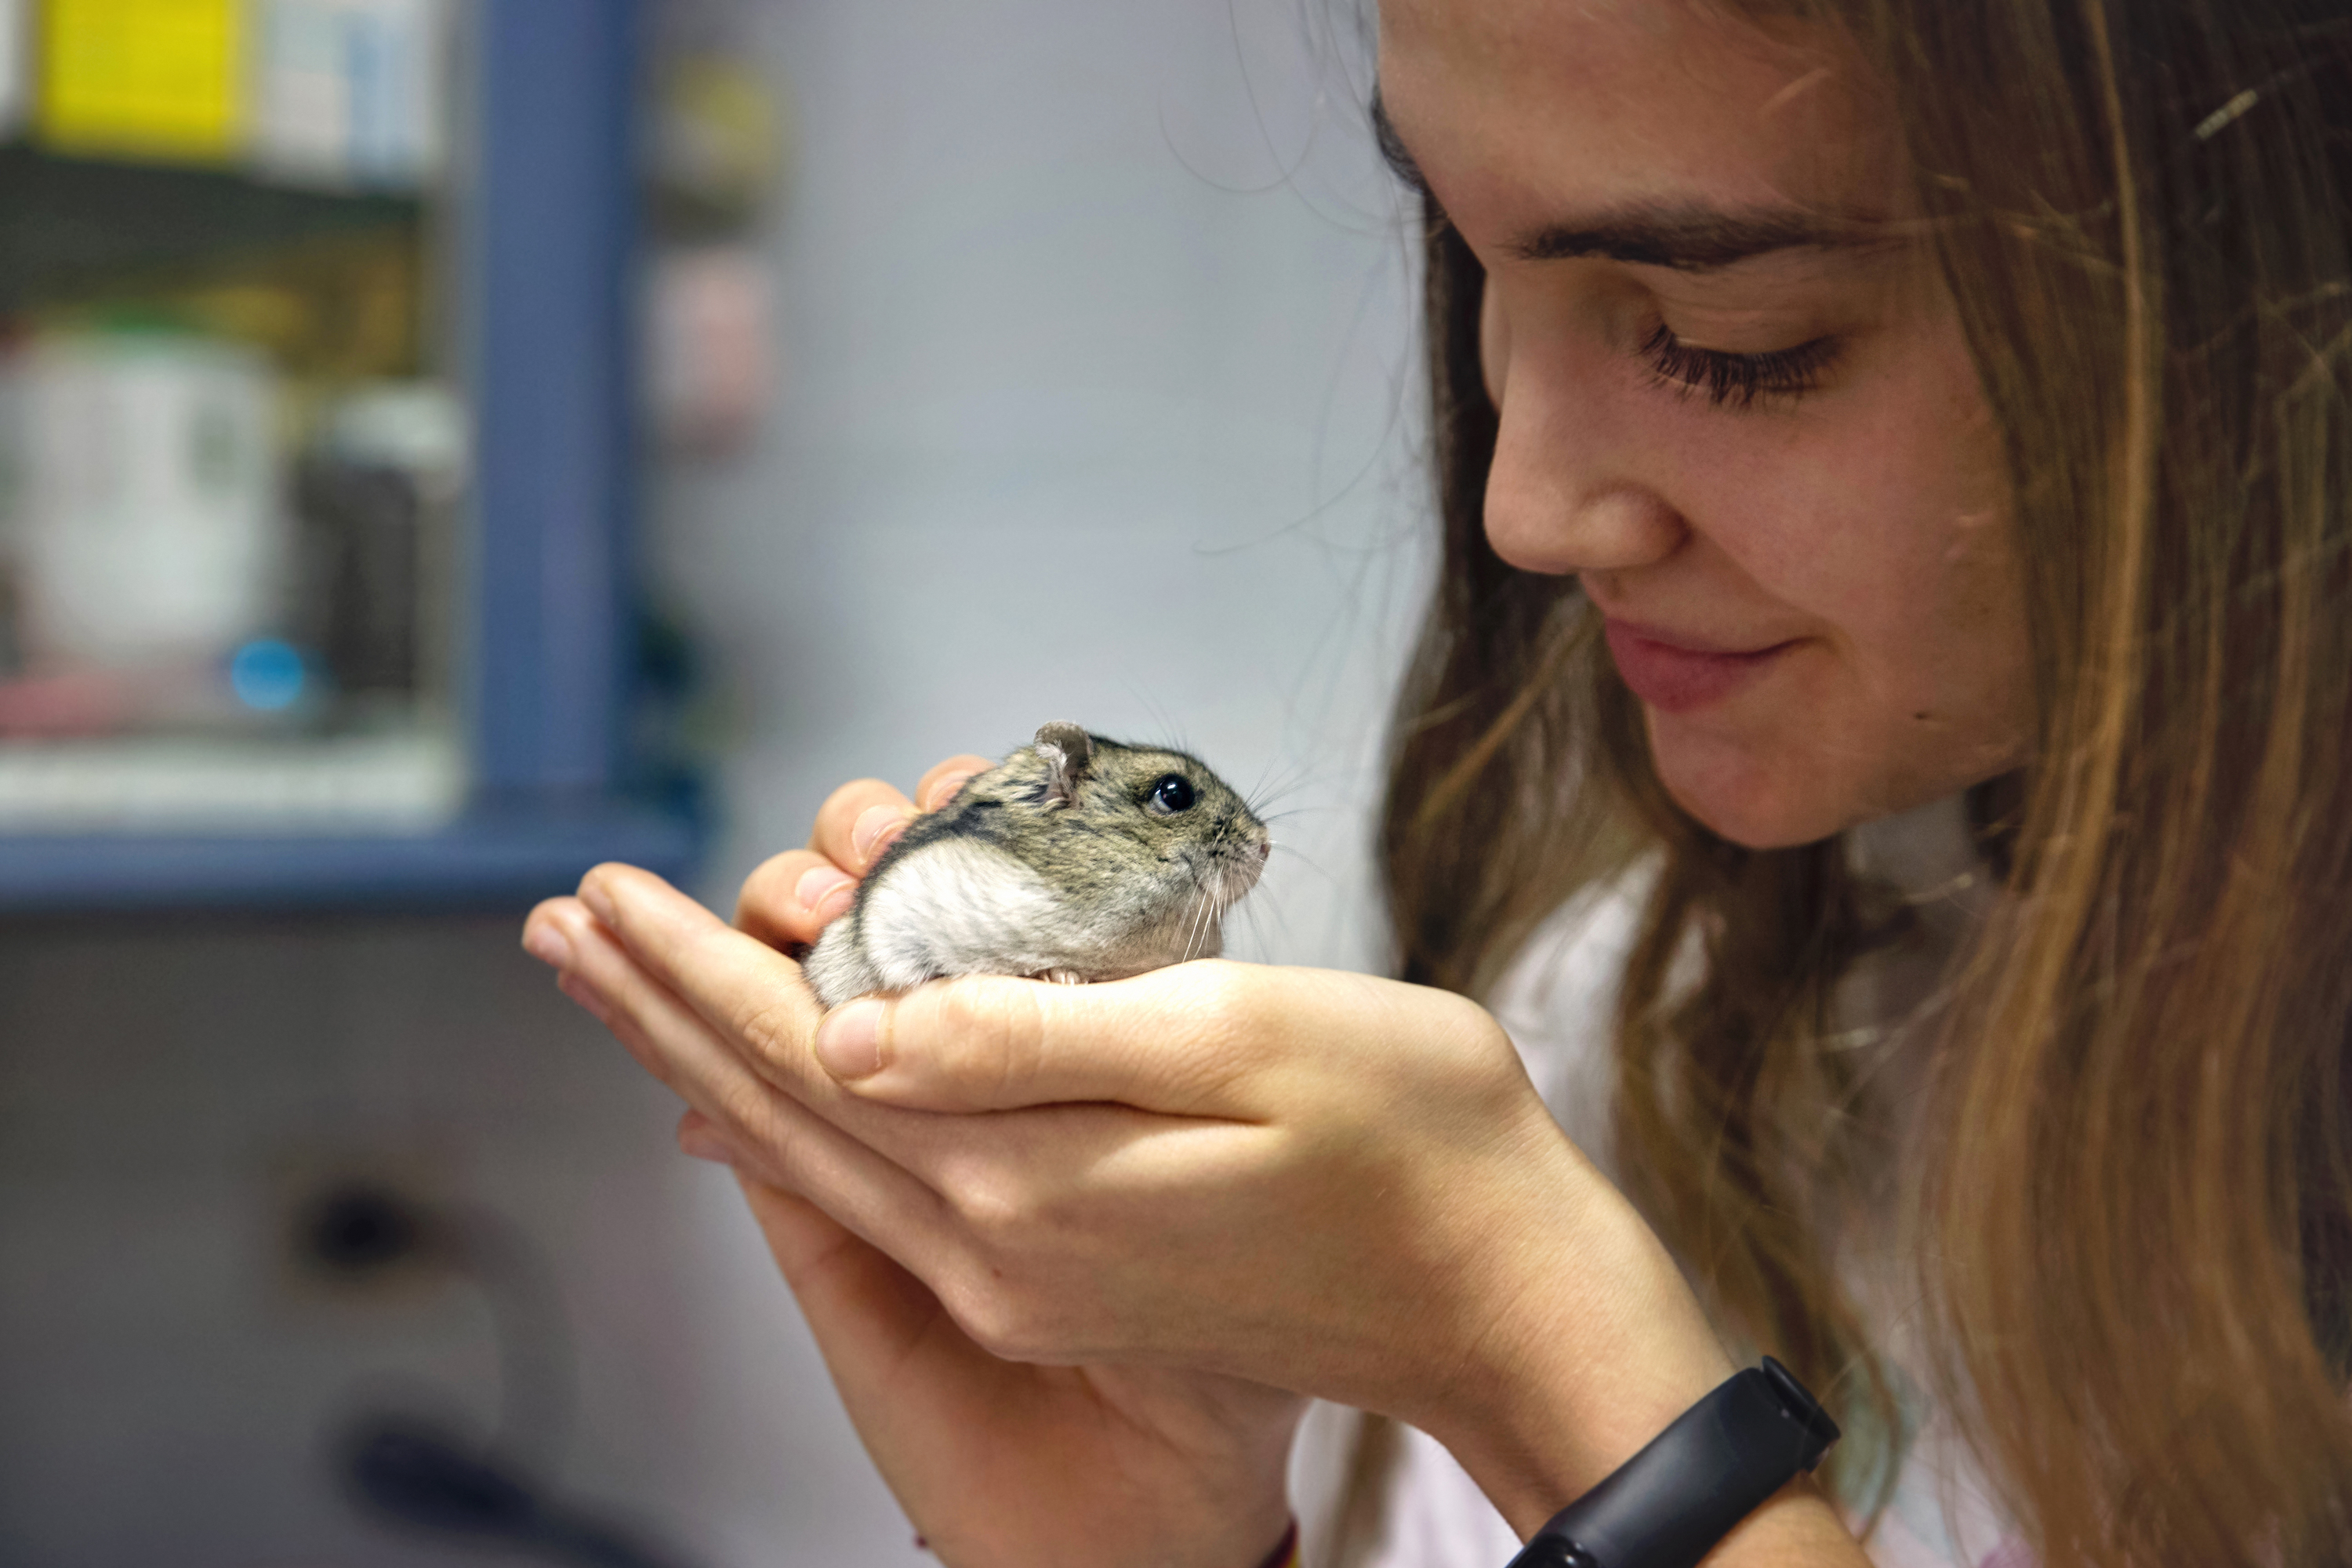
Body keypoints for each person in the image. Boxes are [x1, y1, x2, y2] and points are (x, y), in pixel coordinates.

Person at [520, 0, 2352, 1563]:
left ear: (2262, 298)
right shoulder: (1630, 1022)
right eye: (1476, 260)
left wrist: (1540, 1362)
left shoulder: (1512, 1211)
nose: (1522, 512)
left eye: (1733, 339)